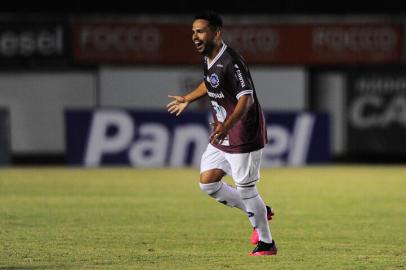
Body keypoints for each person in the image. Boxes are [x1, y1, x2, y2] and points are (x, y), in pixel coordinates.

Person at [166, 11, 277, 256]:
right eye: (193, 32)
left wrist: (226, 126)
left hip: (242, 134)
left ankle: (267, 243)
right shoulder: (209, 58)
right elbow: (210, 83)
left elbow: (245, 100)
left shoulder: (231, 61)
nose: (195, 37)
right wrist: (187, 98)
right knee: (208, 184)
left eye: (201, 31)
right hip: (223, 131)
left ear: (216, 33)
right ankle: (260, 209)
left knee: (246, 189)